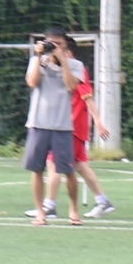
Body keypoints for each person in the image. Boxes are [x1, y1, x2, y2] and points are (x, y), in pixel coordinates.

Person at [23, 26, 85, 227]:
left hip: (62, 126)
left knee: (68, 171)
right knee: (37, 170)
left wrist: (62, 60)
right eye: (52, 43)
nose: (55, 47)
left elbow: (71, 86)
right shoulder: (37, 61)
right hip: (38, 123)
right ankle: (40, 213)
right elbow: (32, 83)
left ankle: (73, 211)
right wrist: (37, 57)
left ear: (66, 45)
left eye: (59, 44)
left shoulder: (75, 64)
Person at [44, 56, 116, 220]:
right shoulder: (63, 71)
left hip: (72, 128)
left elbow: (88, 97)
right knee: (79, 165)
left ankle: (49, 206)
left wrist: (98, 121)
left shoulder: (77, 71)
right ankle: (102, 201)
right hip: (70, 127)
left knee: (53, 162)